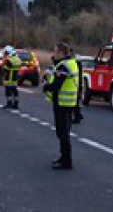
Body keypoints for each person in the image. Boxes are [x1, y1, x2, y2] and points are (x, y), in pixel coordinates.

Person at [43, 42, 79, 170]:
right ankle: (63, 157)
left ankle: (66, 161)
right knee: (62, 133)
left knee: (63, 133)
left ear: (61, 53)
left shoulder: (64, 66)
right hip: (67, 103)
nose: (53, 54)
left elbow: (57, 84)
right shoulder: (69, 63)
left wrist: (45, 86)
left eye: (55, 52)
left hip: (63, 103)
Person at [71, 48, 84, 124]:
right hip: (79, 84)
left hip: (76, 85)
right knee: (77, 102)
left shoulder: (76, 63)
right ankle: (78, 115)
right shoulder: (78, 63)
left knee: (75, 102)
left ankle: (77, 116)